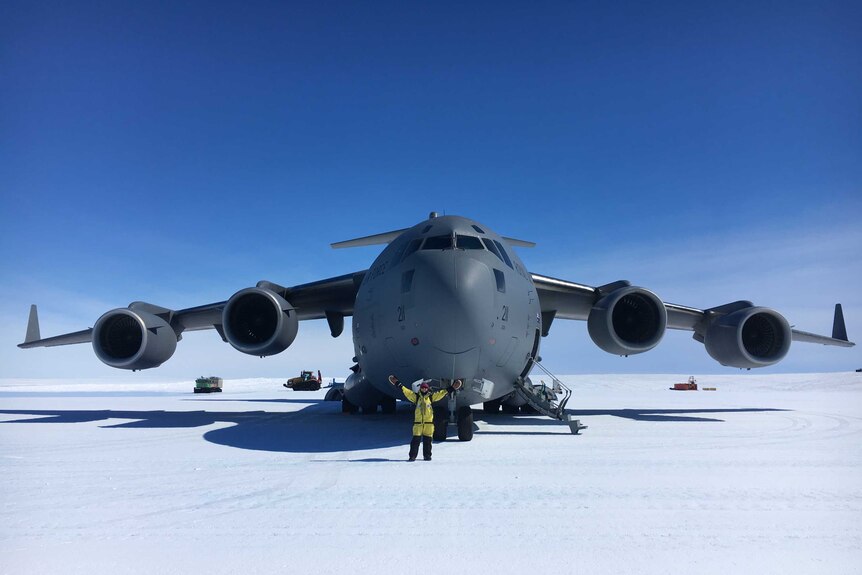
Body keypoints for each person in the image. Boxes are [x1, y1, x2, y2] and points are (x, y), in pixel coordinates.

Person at [389, 375, 462, 461]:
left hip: (428, 424)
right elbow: (406, 392)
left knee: (428, 442)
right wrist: (398, 384)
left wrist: (452, 388)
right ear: (420, 389)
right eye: (422, 388)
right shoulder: (416, 397)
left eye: (425, 388)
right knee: (415, 441)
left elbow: (441, 393)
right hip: (418, 424)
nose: (424, 389)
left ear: (427, 389)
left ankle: (427, 456)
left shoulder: (431, 397)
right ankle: (412, 456)